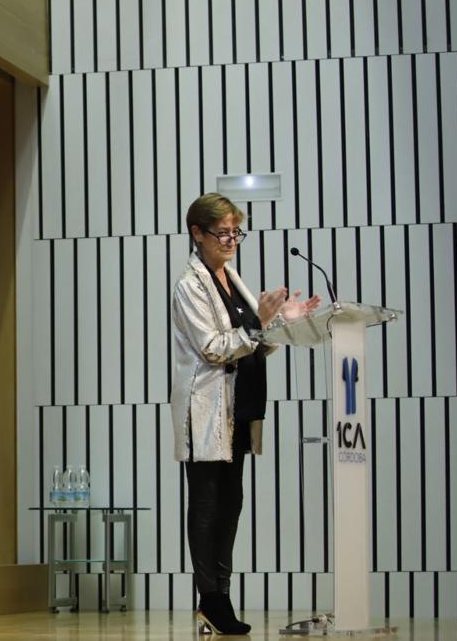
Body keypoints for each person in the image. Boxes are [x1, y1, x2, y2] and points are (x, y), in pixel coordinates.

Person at [170, 193, 320, 635]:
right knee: (206, 505)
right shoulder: (189, 284)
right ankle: (210, 599)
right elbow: (215, 347)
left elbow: (256, 342)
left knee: (231, 504)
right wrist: (260, 324)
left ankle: (221, 595)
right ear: (197, 234)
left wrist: (280, 320)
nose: (232, 240)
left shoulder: (232, 278)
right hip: (207, 410)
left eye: (237, 231)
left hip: (239, 408)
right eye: (223, 232)